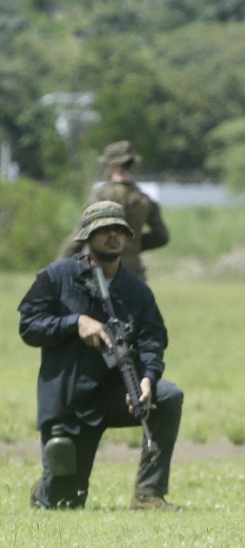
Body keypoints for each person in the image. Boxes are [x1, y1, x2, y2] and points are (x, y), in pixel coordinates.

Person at [20, 200, 185, 510]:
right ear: (87, 236)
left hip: (116, 394)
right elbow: (29, 326)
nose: (113, 236)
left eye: (119, 230)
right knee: (63, 504)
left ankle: (147, 494)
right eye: (104, 230)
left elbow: (152, 338)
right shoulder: (56, 277)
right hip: (70, 400)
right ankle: (47, 487)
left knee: (168, 396)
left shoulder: (137, 290)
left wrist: (148, 378)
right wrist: (74, 323)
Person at [60, 140, 169, 281]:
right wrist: (132, 244)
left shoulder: (100, 196)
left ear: (114, 166)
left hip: (102, 272)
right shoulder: (144, 199)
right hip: (134, 273)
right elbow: (162, 236)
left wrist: (59, 268)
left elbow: (79, 237)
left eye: (105, 166)